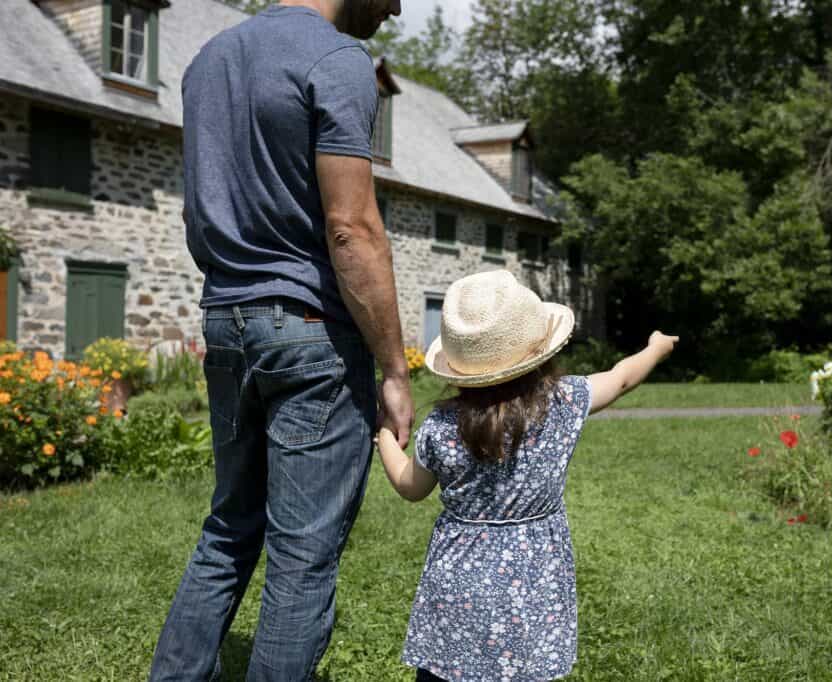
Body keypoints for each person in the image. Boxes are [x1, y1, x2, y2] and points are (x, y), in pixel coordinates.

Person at [149, 1, 410, 680]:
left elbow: (196, 208)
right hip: (312, 330)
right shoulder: (338, 60)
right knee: (302, 556)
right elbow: (351, 228)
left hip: (225, 318)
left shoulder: (208, 62)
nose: (398, 6)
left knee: (229, 527)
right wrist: (395, 369)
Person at [375, 270, 679, 681]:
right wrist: (655, 348)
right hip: (533, 583)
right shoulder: (563, 402)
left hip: (458, 585)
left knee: (446, 669)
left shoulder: (443, 426)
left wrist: (385, 437)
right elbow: (622, 378)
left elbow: (411, 487)